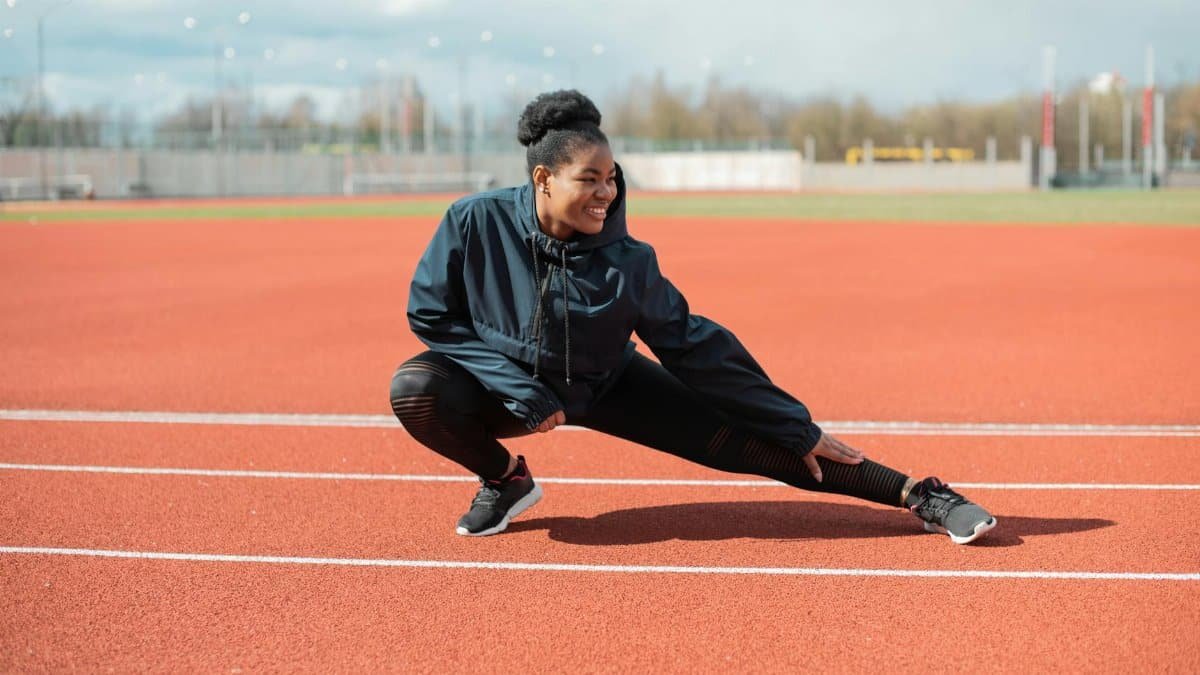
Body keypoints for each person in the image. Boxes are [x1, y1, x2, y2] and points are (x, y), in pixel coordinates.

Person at [390, 90, 996, 545]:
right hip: (513, 390)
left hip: (605, 382)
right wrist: (513, 382)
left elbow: (692, 345)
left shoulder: (629, 261)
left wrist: (794, 424)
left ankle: (920, 495)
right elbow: (432, 313)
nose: (605, 194)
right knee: (416, 389)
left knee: (759, 447)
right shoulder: (474, 221)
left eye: (611, 179)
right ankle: (506, 480)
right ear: (543, 179)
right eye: (589, 180)